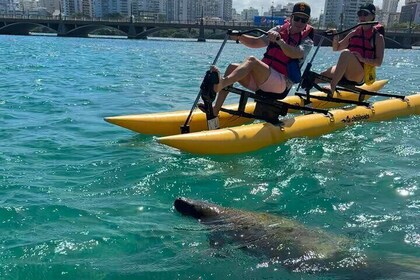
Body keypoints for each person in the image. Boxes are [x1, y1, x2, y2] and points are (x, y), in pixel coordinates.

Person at [200, 2, 314, 117]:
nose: (299, 22)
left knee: (252, 60)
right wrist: (239, 36)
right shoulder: (279, 29)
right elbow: (255, 42)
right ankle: (215, 110)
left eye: (303, 20)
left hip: (281, 84)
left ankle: (221, 84)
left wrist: (280, 41)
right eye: (297, 18)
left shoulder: (307, 41)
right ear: (291, 18)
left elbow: (295, 53)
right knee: (232, 67)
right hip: (263, 80)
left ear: (307, 22)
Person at [320, 3, 385, 95]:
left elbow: (378, 62)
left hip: (359, 74)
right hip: (346, 69)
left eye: (365, 14)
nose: (362, 16)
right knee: (320, 76)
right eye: (360, 14)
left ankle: (332, 86)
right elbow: (336, 48)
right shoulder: (354, 33)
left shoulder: (378, 37)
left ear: (372, 16)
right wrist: (335, 36)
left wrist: (362, 59)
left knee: (346, 53)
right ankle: (302, 96)